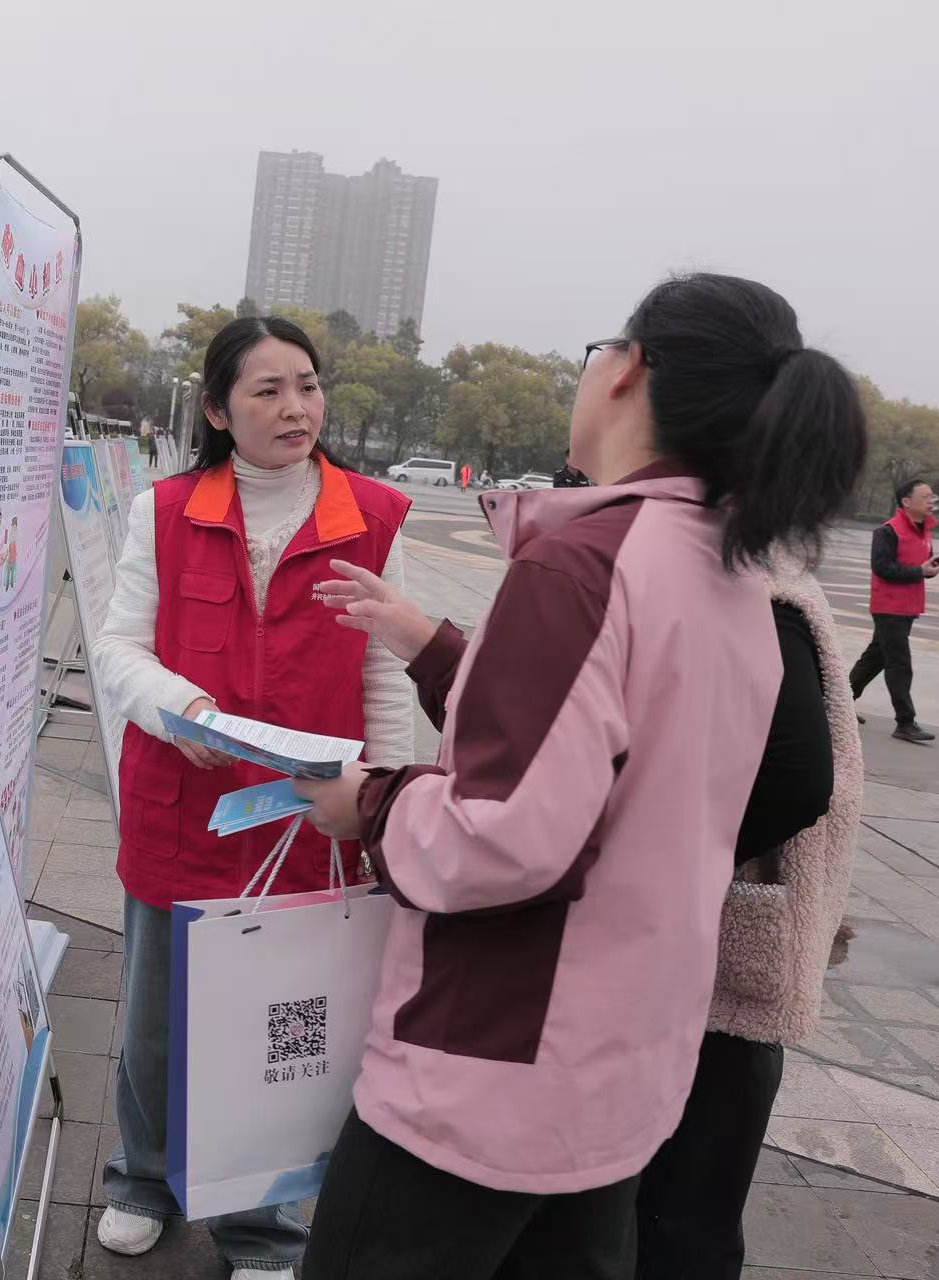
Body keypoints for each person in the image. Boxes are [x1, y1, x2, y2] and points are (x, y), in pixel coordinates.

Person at [293, 272, 867, 1279]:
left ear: (630, 369)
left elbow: (502, 839)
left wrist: (371, 803)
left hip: (491, 1067)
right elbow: (620, 759)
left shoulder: (583, 567)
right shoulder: (730, 569)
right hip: (622, 1063)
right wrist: (437, 649)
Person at [91, 315, 417, 1280]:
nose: (294, 407)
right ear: (217, 409)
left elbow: (387, 676)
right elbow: (119, 646)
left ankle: (262, 1226)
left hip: (309, 825)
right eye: (267, 390)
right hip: (182, 810)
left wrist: (384, 808)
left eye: (307, 385)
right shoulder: (166, 511)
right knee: (156, 1025)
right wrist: (179, 707)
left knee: (282, 1033)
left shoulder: (373, 516)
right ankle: (143, 1183)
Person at [634, 555, 861, 1277]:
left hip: (718, 961)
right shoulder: (746, 579)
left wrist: (664, 866)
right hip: (710, 955)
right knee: (678, 1204)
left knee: (678, 1214)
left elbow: (798, 779)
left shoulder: (757, 593)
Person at [849, 478, 939, 743]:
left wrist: (929, 571)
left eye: (932, 497)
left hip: (909, 605)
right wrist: (918, 571)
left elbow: (918, 567)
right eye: (925, 497)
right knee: (899, 663)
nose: (931, 501)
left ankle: (835, 705)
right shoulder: (888, 531)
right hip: (889, 606)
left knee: (875, 658)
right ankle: (905, 722)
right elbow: (881, 567)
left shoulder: (925, 530)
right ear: (906, 501)